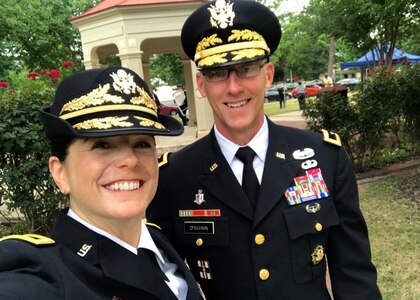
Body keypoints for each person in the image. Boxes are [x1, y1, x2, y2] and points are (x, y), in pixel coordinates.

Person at [147, 0, 381, 299]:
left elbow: (354, 274)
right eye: (218, 73)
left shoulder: (324, 157)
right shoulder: (174, 177)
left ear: (268, 74)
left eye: (246, 69)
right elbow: (166, 283)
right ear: (201, 84)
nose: (233, 88)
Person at [0, 67, 204, 300]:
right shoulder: (42, 275)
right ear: (60, 173)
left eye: (142, 144)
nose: (130, 160)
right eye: (102, 145)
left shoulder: (158, 242)